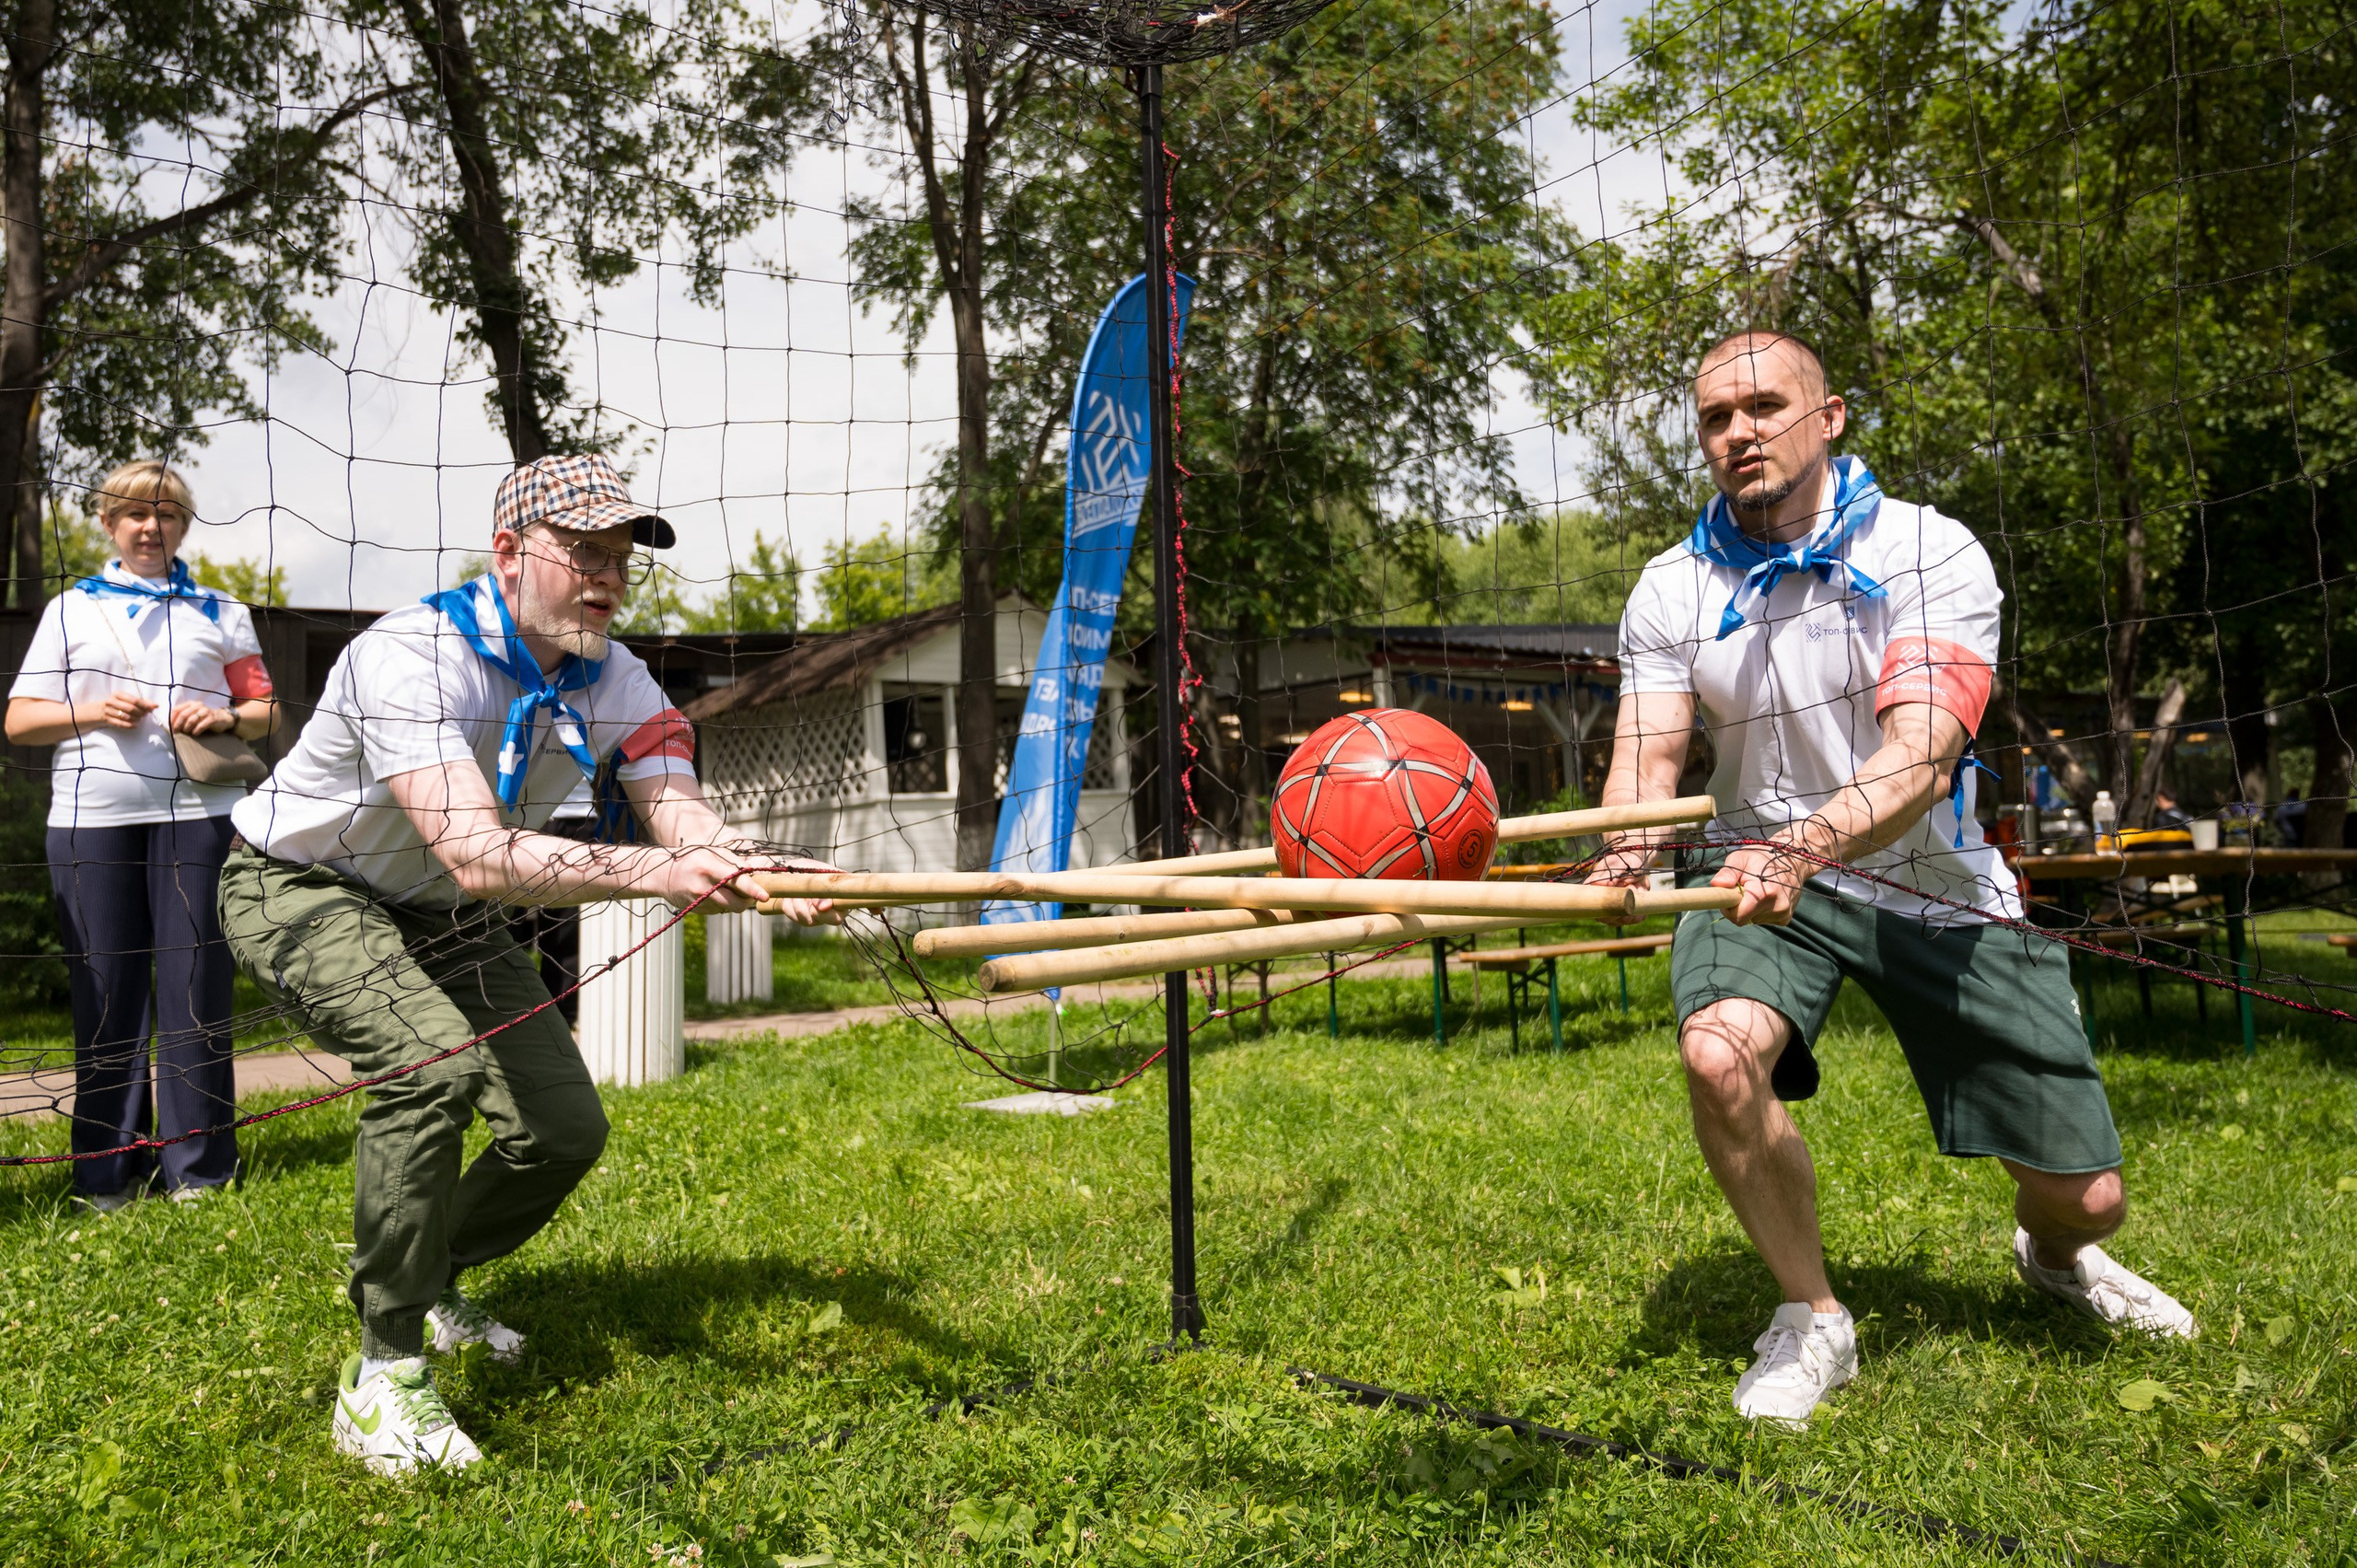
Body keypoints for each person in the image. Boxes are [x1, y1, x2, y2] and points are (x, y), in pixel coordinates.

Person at [1589, 331, 2194, 1426]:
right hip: (1754, 877)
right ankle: (1812, 1313)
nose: (1739, 432)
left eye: (1765, 405)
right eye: (1715, 417)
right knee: (1717, 1055)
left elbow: (1919, 753)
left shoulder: (1931, 551)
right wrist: (1625, 846)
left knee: (2089, 1196)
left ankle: (2054, 1256)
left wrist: (1808, 842)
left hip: (1934, 881)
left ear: (1828, 419)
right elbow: (1648, 752)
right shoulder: (1669, 585)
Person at [219, 454, 835, 1475]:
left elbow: (672, 801)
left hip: (442, 909)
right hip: (306, 885)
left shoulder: (617, 673)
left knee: (561, 1128)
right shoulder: (409, 655)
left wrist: (740, 860)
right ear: (507, 553)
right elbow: (477, 850)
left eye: (620, 557)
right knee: (430, 1068)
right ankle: (382, 1373)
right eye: (582, 551)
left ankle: (435, 1274)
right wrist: (666, 870)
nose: (606, 576)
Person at [5, 460, 276, 1211]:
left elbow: (266, 710)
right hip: (92, 820)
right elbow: (19, 720)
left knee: (196, 992)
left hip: (201, 815)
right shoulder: (70, 609)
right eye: (133, 513)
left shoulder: (221, 609)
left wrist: (223, 716)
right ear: (108, 523)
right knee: (107, 995)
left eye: (166, 513)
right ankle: (105, 1176)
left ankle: (200, 1173)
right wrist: (92, 713)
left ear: (184, 524)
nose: (149, 525)